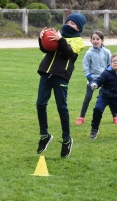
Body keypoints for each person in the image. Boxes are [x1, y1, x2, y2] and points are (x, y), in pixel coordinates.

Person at [36, 13, 86, 158]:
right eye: (68, 21)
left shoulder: (79, 42)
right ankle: (44, 135)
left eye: (73, 23)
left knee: (61, 107)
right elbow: (46, 49)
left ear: (79, 27)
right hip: (46, 73)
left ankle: (66, 139)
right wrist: (41, 39)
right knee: (40, 104)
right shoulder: (57, 34)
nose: (69, 24)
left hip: (61, 77)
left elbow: (68, 54)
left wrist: (61, 40)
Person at [76, 30, 117, 125]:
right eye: (93, 39)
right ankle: (81, 117)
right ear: (91, 40)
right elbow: (85, 66)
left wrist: (108, 74)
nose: (95, 41)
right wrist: (90, 78)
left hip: (105, 79)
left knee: (109, 97)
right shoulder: (89, 53)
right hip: (93, 79)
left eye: (98, 39)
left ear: (102, 40)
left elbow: (110, 64)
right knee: (88, 97)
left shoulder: (107, 52)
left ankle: (115, 116)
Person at [89, 52, 117, 139]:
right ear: (110, 63)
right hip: (104, 96)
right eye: (113, 61)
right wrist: (95, 84)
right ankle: (94, 130)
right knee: (97, 109)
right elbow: (99, 80)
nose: (115, 62)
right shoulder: (106, 73)